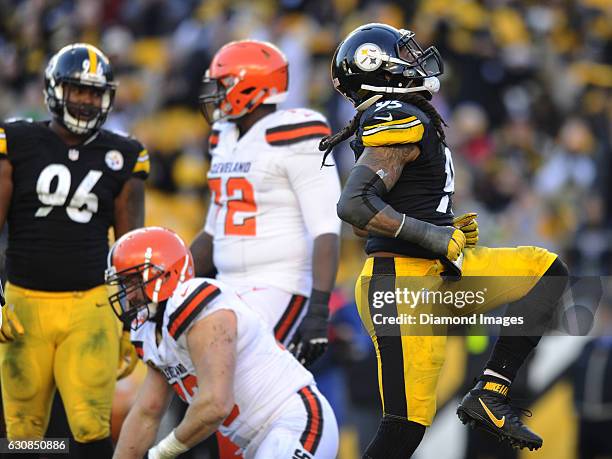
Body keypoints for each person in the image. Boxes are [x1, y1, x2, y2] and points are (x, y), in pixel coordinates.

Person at [322, 23, 569, 458]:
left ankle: (490, 393)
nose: (413, 59)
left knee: (546, 271)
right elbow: (354, 208)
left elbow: (370, 216)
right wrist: (432, 235)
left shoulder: (406, 116)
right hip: (400, 284)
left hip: (435, 275)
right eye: (402, 52)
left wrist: (443, 227)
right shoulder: (393, 114)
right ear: (376, 67)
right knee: (404, 428)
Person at [0, 43, 148, 457]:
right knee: (23, 431)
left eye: (94, 93)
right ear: (53, 90)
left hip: (91, 307)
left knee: (89, 425)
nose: (85, 100)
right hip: (24, 304)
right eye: (76, 90)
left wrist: (132, 322)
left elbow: (130, 247)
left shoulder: (124, 154)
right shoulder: (17, 140)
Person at [106, 226, 339, 459]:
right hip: (256, 442)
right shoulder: (151, 332)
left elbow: (216, 404)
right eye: (124, 284)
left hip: (294, 423)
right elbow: (147, 413)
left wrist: (160, 453)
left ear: (165, 273)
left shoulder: (193, 301)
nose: (129, 295)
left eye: (133, 281)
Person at [192, 39, 341, 367]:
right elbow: (212, 231)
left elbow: (326, 230)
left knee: (244, 383)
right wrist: (173, 283)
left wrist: (318, 310)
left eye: (224, 84)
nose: (216, 94)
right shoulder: (224, 137)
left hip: (280, 284)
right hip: (227, 285)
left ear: (251, 86)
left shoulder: (297, 133)